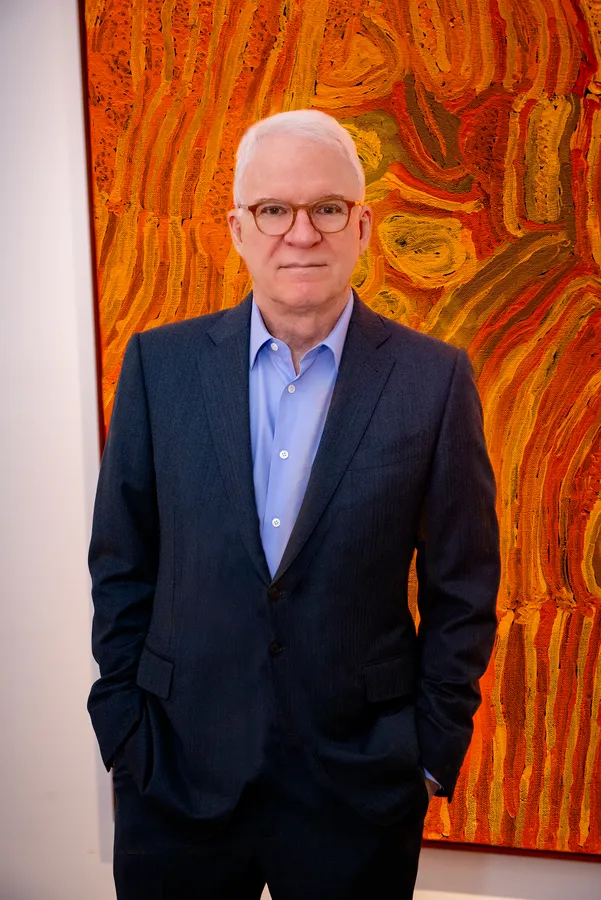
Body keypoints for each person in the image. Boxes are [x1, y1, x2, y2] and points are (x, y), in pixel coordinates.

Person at [88, 109, 500, 900]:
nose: (300, 234)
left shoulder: (434, 381)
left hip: (358, 788)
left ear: (362, 226)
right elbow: (121, 561)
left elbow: (463, 588)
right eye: (274, 209)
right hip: (176, 776)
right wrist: (123, 728)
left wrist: (428, 750)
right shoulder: (158, 366)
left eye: (326, 208)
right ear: (238, 229)